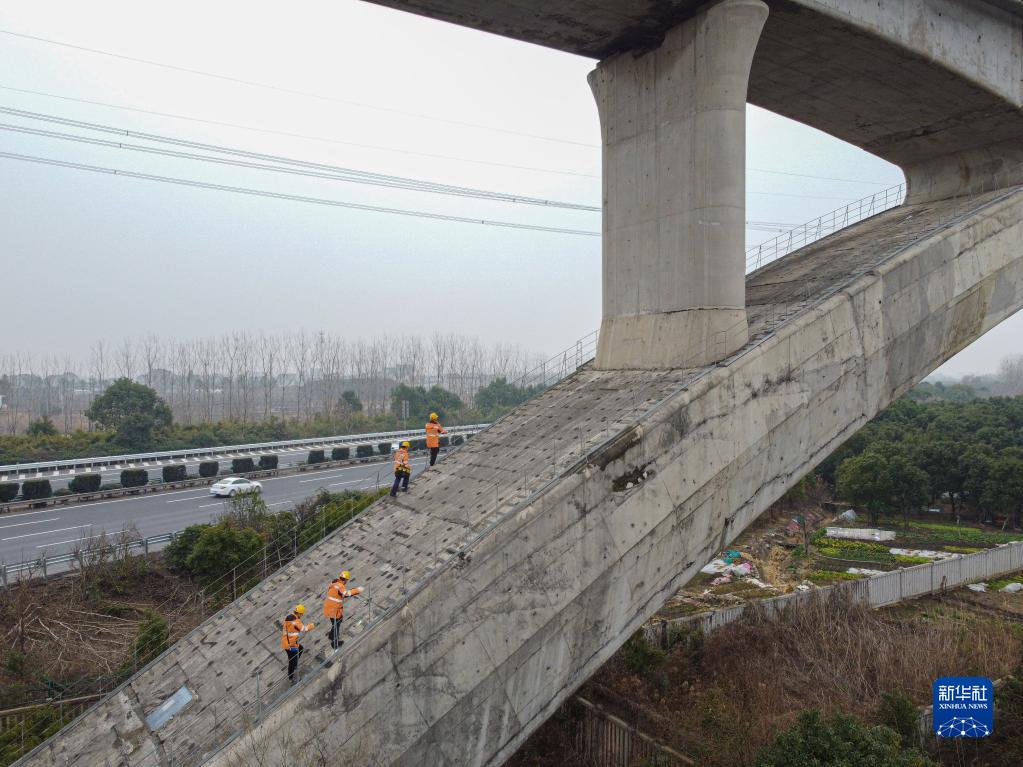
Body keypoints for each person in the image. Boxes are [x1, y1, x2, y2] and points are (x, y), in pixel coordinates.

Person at [323, 570, 362, 650]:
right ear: (346, 580)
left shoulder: (334, 583)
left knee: (337, 622)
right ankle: (335, 643)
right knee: (336, 625)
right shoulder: (341, 586)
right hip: (334, 610)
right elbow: (346, 594)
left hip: (328, 607)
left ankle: (331, 635)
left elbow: (339, 594)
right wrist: (357, 590)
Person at [280, 604, 314, 683]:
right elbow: (304, 629)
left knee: (300, 648)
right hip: (290, 645)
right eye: (301, 614)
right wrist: (311, 625)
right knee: (292, 661)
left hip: (287, 642)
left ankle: (294, 667)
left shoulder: (289, 617)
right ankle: (292, 678)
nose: (301, 616)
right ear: (299, 613)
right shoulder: (296, 621)